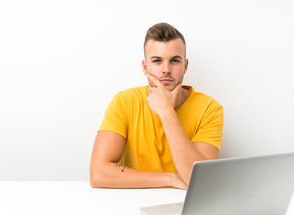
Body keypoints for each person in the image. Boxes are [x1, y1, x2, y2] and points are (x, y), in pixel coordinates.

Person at [90, 23, 223, 189]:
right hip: (131, 201)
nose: (166, 70)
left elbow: (203, 182)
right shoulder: (124, 101)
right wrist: (171, 179)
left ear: (185, 66)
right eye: (157, 61)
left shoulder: (209, 109)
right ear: (145, 67)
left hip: (184, 203)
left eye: (174, 60)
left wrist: (167, 112)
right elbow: (98, 174)